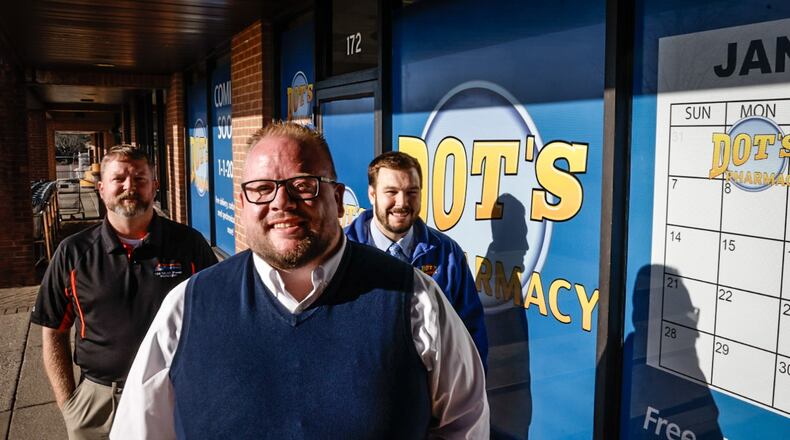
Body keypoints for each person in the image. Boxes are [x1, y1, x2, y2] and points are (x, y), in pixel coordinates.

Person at [111, 122, 488, 439]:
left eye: (303, 184)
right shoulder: (186, 307)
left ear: (338, 199)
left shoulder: (415, 300)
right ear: (242, 206)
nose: (281, 202)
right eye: (261, 189)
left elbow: (465, 423)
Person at [31, 145, 218, 440]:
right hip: (99, 401)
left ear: (154, 186)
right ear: (102, 188)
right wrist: (70, 405)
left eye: (140, 178)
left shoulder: (188, 244)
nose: (130, 186)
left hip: (172, 394)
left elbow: (217, 319)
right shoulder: (73, 253)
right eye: (119, 179)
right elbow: (53, 331)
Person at [345, 151, 488, 369]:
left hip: (431, 392)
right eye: (391, 192)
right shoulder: (342, 252)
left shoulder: (447, 254)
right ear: (372, 195)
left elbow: (470, 333)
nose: (402, 203)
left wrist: (469, 394)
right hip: (361, 388)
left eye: (411, 192)